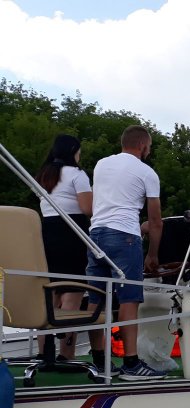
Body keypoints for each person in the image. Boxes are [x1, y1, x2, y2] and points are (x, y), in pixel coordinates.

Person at [85, 125, 165, 380]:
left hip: (95, 235)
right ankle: (131, 364)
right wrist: (152, 255)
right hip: (125, 237)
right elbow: (156, 221)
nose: (149, 153)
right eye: (149, 148)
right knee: (129, 299)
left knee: (97, 299)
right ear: (143, 146)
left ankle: (99, 361)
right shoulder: (146, 173)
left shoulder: (101, 165)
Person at [35, 134, 93, 360]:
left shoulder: (43, 175)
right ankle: (66, 354)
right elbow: (87, 208)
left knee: (52, 290)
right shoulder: (77, 175)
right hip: (72, 231)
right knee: (74, 289)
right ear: (73, 151)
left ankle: (43, 351)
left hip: (48, 232)